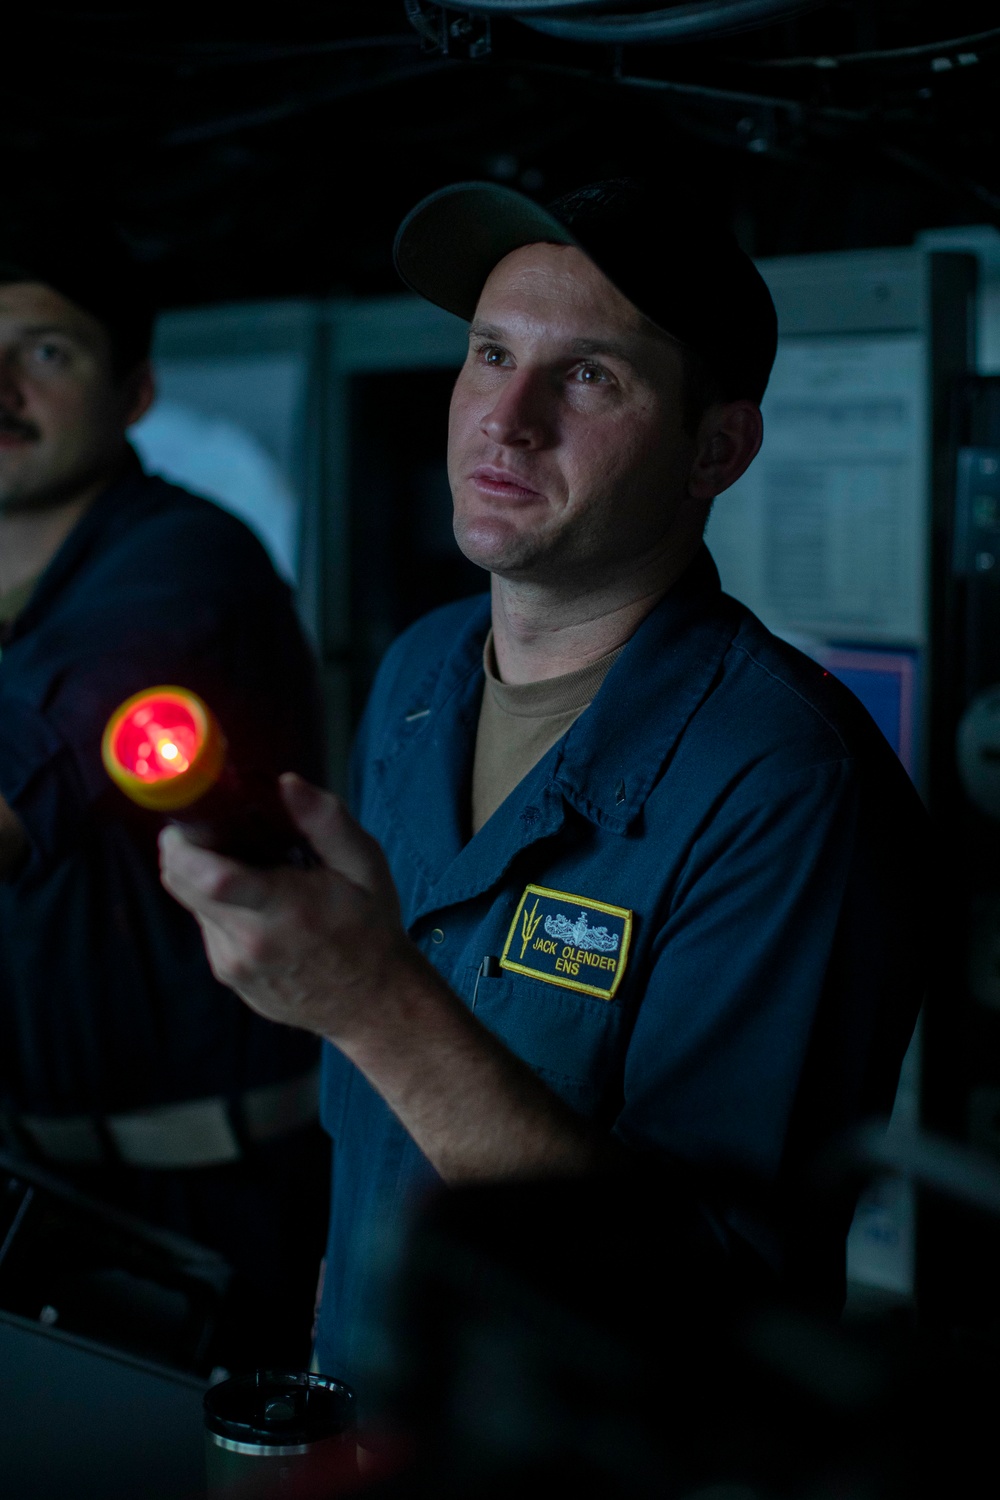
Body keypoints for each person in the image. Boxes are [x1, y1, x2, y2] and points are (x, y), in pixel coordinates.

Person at [160, 180, 930, 1384]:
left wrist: (368, 998)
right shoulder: (420, 675)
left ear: (717, 447)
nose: (503, 421)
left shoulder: (786, 782)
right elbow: (375, 1125)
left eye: (587, 376)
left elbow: (712, 1302)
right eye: (489, 353)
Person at [0, 211, 328, 1369]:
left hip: (202, 1212)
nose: (1, 390)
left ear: (134, 392)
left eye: (46, 353)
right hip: (39, 1193)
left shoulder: (184, 564)